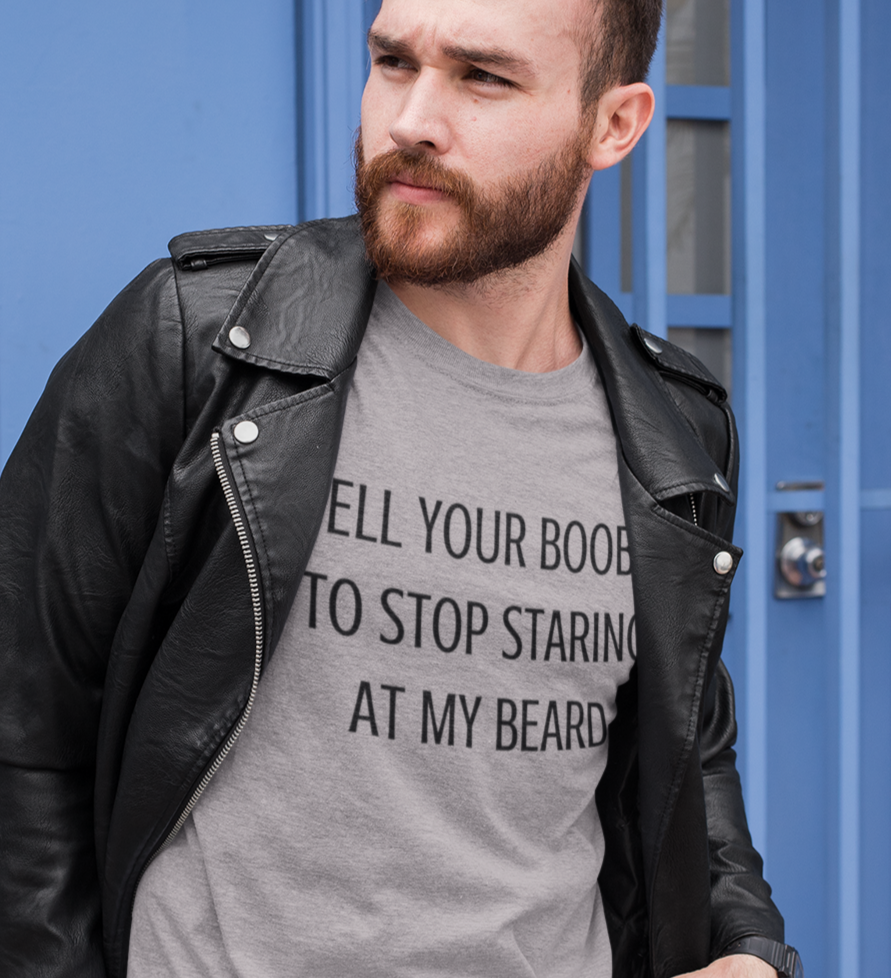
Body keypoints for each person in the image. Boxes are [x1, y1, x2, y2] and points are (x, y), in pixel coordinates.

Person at [0, 0, 802, 976]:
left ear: (614, 124)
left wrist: (751, 950)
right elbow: (23, 730)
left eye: (483, 77)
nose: (412, 118)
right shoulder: (200, 348)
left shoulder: (675, 433)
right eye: (393, 61)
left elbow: (690, 757)